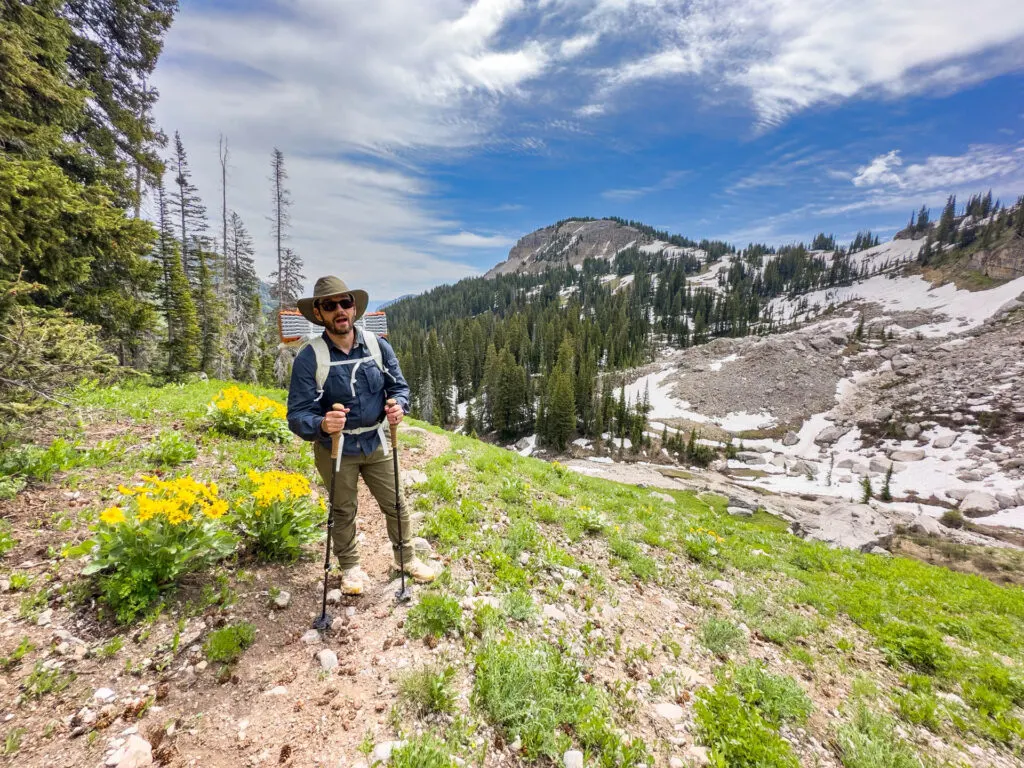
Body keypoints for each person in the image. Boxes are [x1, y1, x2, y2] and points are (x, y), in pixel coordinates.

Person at [287, 275, 435, 595]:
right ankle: (351, 568)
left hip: (375, 439)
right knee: (343, 508)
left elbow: (398, 387)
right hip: (334, 447)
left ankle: (406, 558)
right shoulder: (309, 357)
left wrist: (399, 406)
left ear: (354, 308)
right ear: (320, 313)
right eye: (330, 305)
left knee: (395, 500)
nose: (340, 310)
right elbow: (296, 416)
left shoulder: (377, 346)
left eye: (345, 303)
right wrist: (322, 424)